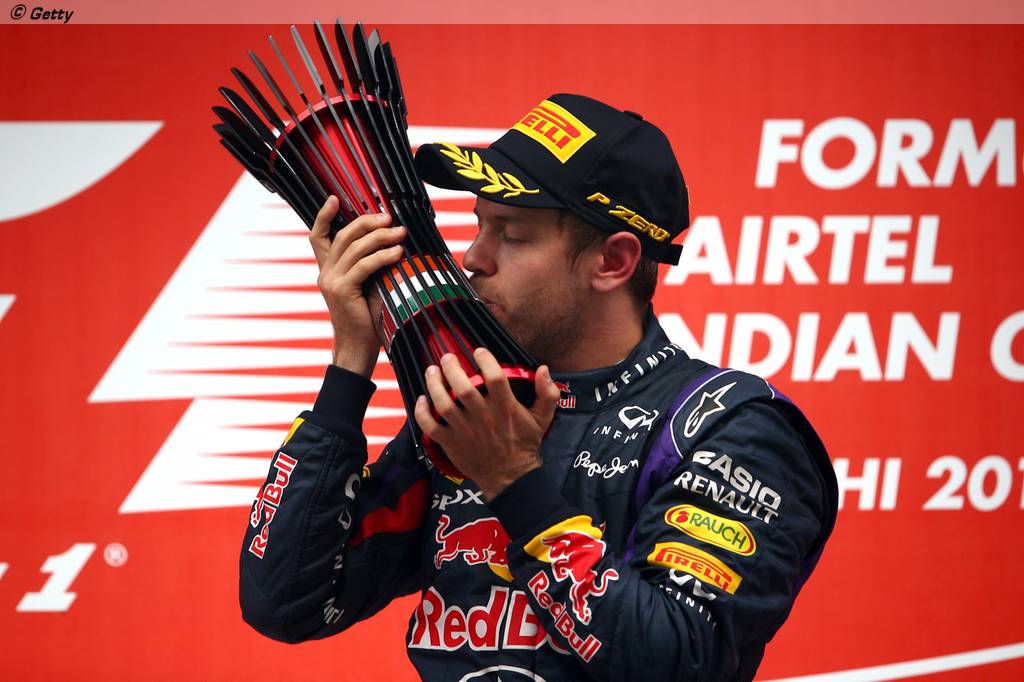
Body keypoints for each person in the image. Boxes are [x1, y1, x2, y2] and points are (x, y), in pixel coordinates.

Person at [239, 93, 838, 682]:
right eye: (479, 225)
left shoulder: (730, 429)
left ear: (613, 261)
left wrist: (513, 481)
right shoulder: (481, 408)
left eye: (511, 234)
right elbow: (286, 602)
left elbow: (682, 660)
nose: (472, 257)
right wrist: (350, 361)